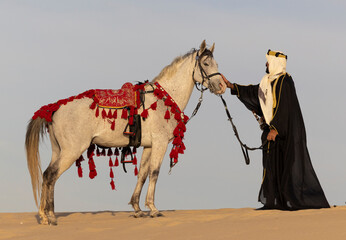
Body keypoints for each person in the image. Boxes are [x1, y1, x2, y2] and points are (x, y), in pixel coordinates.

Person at [223, 50, 330, 210]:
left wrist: (275, 128)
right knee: (270, 168)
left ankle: (287, 203)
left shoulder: (285, 81)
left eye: (268, 61)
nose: (266, 64)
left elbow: (284, 107)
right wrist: (232, 86)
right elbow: (254, 92)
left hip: (284, 135)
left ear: (275, 63)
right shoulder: (267, 82)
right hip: (271, 134)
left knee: (285, 169)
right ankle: (272, 202)